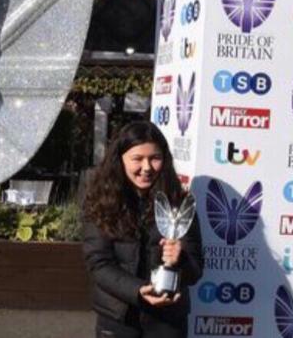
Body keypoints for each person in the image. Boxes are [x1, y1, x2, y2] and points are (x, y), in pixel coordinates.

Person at [82, 121, 203, 338]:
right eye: (137, 159)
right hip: (118, 318)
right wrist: (137, 290)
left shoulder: (180, 203)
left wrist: (181, 259)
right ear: (120, 160)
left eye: (154, 158)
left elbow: (196, 270)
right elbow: (98, 263)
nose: (146, 167)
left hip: (168, 321)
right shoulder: (99, 202)